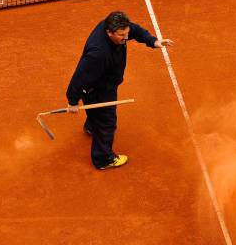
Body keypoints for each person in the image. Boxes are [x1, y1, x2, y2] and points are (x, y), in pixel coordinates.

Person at [66, 11, 174, 169]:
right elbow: (80, 78)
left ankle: (91, 126)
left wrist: (154, 41)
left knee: (98, 116)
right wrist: (72, 101)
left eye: (126, 33)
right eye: (121, 35)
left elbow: (134, 30)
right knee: (107, 122)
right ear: (109, 32)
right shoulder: (99, 54)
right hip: (98, 90)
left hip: (106, 82)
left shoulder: (113, 28)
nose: (126, 38)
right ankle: (103, 159)